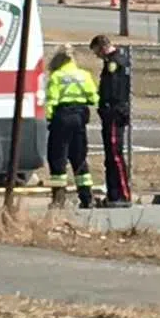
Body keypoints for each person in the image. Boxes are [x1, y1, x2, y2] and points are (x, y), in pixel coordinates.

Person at [44, 44, 98, 209]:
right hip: (80, 117)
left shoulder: (57, 76)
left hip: (62, 117)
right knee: (79, 157)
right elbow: (93, 98)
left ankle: (59, 199)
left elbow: (52, 100)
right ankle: (87, 198)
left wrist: (49, 118)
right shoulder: (84, 75)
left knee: (58, 157)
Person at [89, 34, 132, 207]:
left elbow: (113, 90)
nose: (97, 56)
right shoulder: (115, 60)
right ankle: (113, 194)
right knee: (110, 157)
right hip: (111, 113)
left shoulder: (115, 63)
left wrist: (107, 107)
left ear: (102, 47)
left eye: (97, 52)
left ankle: (123, 195)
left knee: (115, 155)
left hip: (114, 113)